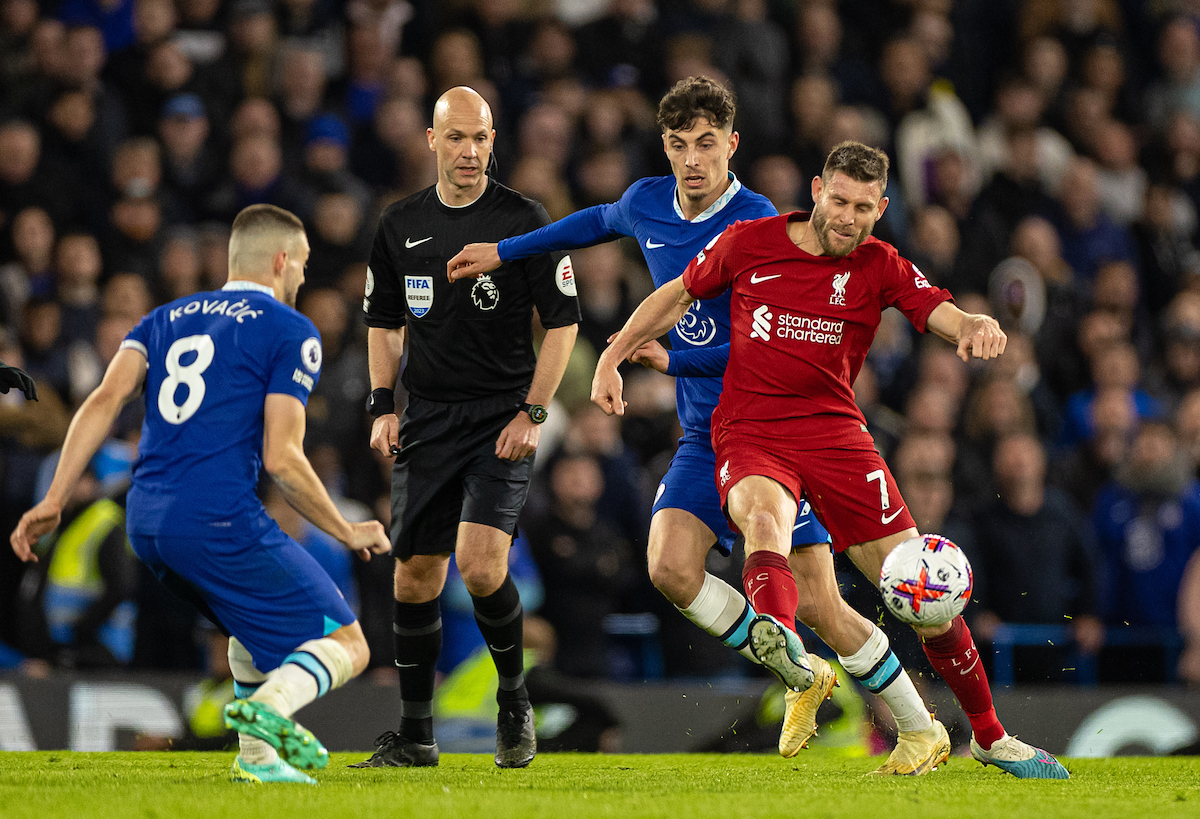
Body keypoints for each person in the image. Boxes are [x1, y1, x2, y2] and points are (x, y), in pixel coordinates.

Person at [448, 77, 939, 774]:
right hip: (705, 438)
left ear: (731, 146)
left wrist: (671, 357)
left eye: (707, 144)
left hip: (772, 431)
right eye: (679, 145)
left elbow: (764, 345)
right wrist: (506, 250)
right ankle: (803, 675)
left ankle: (921, 725)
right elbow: (592, 222)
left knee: (828, 606)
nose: (693, 160)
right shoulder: (649, 200)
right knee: (670, 565)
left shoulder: (763, 224)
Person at [591, 140, 1071, 780]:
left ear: (882, 209)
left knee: (920, 589)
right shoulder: (750, 242)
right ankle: (790, 661)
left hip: (837, 435)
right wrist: (614, 353)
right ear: (817, 190)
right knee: (763, 518)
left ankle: (987, 735)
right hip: (751, 428)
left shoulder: (880, 264)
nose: (847, 218)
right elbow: (678, 294)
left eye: (863, 208)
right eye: (839, 201)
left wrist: (973, 325)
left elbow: (936, 310)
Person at [10, 204, 391, 785]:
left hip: (146, 520)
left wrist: (55, 497)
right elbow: (282, 456)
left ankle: (255, 763)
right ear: (282, 260)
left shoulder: (165, 317)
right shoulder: (292, 331)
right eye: (303, 265)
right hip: (216, 515)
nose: (304, 279)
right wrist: (346, 527)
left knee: (245, 628)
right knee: (348, 643)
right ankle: (269, 712)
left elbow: (104, 401)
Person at [353, 86, 580, 770]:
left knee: (481, 567)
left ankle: (514, 699)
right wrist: (381, 403)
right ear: (431, 141)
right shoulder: (399, 224)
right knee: (415, 574)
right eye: (456, 137)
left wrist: (532, 412)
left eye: (480, 137)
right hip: (427, 418)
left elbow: (564, 324)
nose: (469, 151)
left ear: (493, 139)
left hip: (499, 416)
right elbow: (383, 324)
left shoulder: (524, 220)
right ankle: (417, 735)